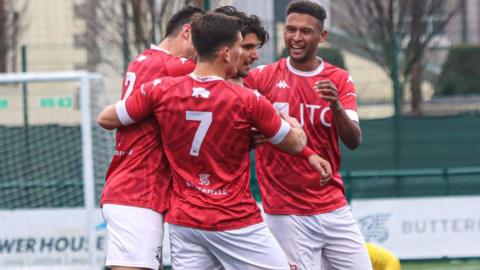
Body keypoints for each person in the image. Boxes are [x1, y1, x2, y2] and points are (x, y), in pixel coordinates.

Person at [98, 13, 324, 269]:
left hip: (183, 219)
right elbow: (294, 142)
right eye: (244, 47)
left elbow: (106, 118)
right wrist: (294, 126)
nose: (250, 55)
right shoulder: (244, 98)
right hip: (223, 216)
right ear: (226, 52)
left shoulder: (159, 84)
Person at [244, 1, 372, 269]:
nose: (296, 38)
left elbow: (353, 140)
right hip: (286, 212)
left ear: (322, 36)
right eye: (291, 30)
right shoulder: (262, 78)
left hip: (333, 205)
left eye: (305, 31)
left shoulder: (339, 79)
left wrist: (336, 106)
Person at [100, 6, 204, 270]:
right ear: (187, 33)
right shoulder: (171, 66)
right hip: (137, 190)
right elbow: (218, 70)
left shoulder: (143, 60)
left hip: (138, 187)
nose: (202, 53)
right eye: (203, 42)